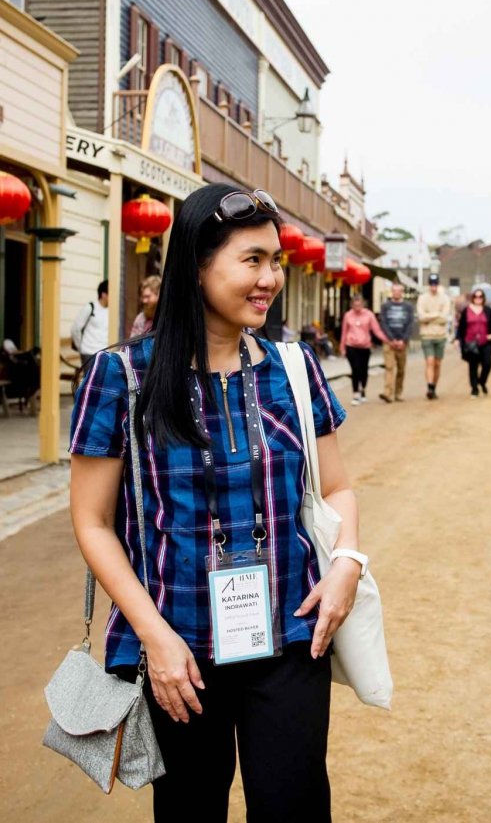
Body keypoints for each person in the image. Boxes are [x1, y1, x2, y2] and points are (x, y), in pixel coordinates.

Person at [68, 184, 365, 822]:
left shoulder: (294, 368)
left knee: (295, 808)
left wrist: (346, 564)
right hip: (179, 648)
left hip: (292, 637)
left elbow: (336, 485)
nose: (270, 278)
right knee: (189, 812)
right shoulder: (122, 376)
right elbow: (91, 522)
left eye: (275, 261)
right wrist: (155, 637)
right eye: (252, 260)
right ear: (198, 264)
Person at [339, 293, 389, 405]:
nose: (357, 307)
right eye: (355, 305)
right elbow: (344, 332)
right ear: (352, 305)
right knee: (355, 369)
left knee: (363, 370)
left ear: (363, 304)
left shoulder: (369, 315)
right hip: (351, 345)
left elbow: (376, 330)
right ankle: (355, 393)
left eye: (359, 305)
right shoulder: (348, 315)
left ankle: (363, 389)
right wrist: (342, 348)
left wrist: (386, 340)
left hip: (365, 346)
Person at [376, 282, 417, 403]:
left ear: (402, 292)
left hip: (403, 342)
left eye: (399, 291)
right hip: (389, 342)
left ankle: (398, 393)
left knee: (401, 369)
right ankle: (387, 393)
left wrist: (403, 340)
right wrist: (391, 339)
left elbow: (410, 324)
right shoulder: (385, 306)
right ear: (391, 292)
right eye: (394, 290)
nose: (396, 293)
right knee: (389, 367)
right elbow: (383, 323)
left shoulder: (408, 307)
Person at [455, 286, 491, 397]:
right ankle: (474, 388)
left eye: (480, 296)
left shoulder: (488, 311)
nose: (478, 298)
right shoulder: (466, 311)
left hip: (485, 342)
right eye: (476, 296)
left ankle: (482, 381)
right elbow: (461, 327)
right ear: (472, 298)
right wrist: (457, 339)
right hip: (470, 342)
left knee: (487, 364)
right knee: (473, 366)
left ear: (483, 298)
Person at [416, 274, 454, 400]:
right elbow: (421, 317)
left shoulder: (444, 298)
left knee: (437, 363)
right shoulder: (422, 298)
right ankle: (429, 386)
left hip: (440, 335)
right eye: (431, 284)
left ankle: (434, 386)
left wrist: (430, 317)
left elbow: (444, 318)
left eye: (435, 284)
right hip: (427, 335)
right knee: (430, 361)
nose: (433, 287)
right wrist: (437, 314)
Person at [71, 280, 110, 365]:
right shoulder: (90, 307)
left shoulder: (111, 311)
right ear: (104, 294)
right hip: (89, 353)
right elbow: (75, 329)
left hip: (105, 353)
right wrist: (81, 347)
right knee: (90, 378)